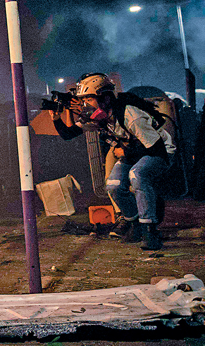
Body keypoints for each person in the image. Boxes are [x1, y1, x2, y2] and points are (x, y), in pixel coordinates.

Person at [53, 73, 174, 250]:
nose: (84, 104)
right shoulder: (99, 117)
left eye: (88, 98)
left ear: (106, 98)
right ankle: (135, 224)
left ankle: (150, 229)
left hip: (161, 150)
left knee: (137, 175)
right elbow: (69, 134)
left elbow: (154, 148)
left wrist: (125, 150)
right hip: (133, 152)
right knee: (114, 185)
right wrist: (55, 117)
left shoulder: (130, 114)